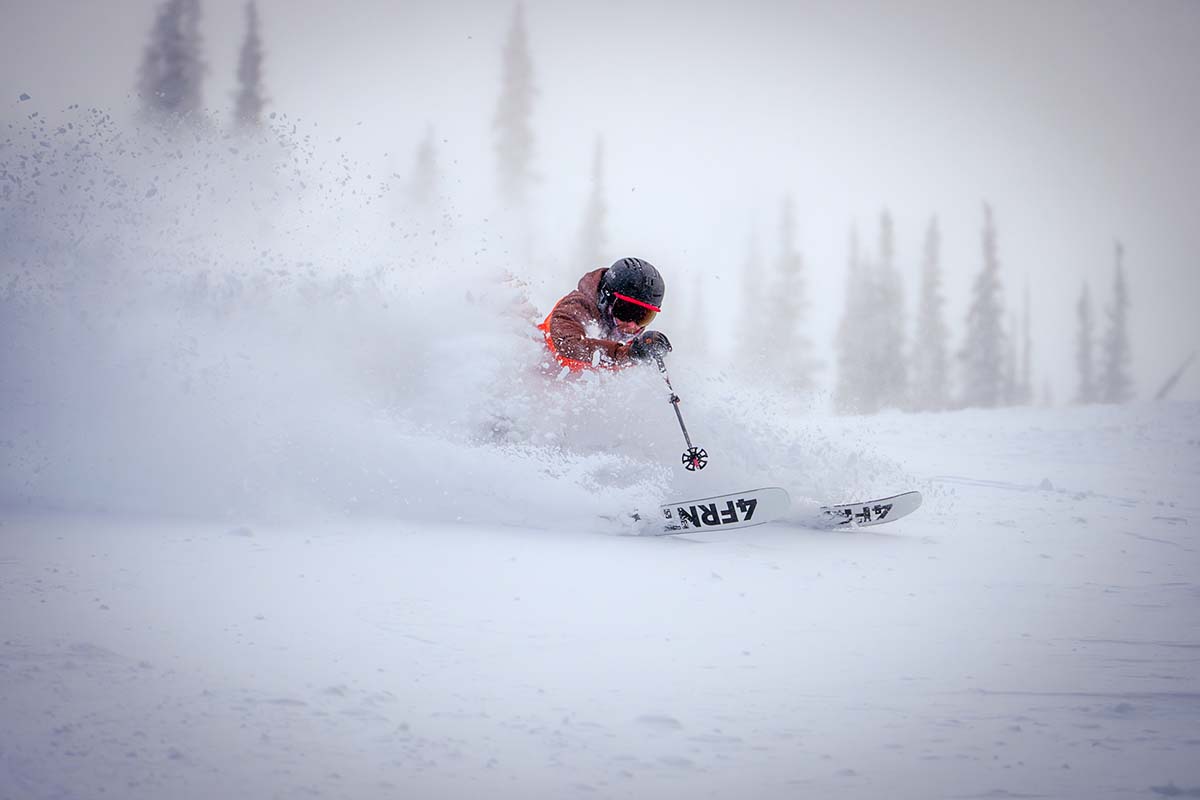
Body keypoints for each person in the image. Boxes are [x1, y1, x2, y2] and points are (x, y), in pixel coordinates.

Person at [538, 257, 673, 372]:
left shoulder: (622, 334)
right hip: (540, 377)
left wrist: (647, 350)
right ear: (605, 298)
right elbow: (568, 345)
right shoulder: (577, 306)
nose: (632, 325)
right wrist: (627, 354)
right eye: (626, 311)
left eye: (643, 317)